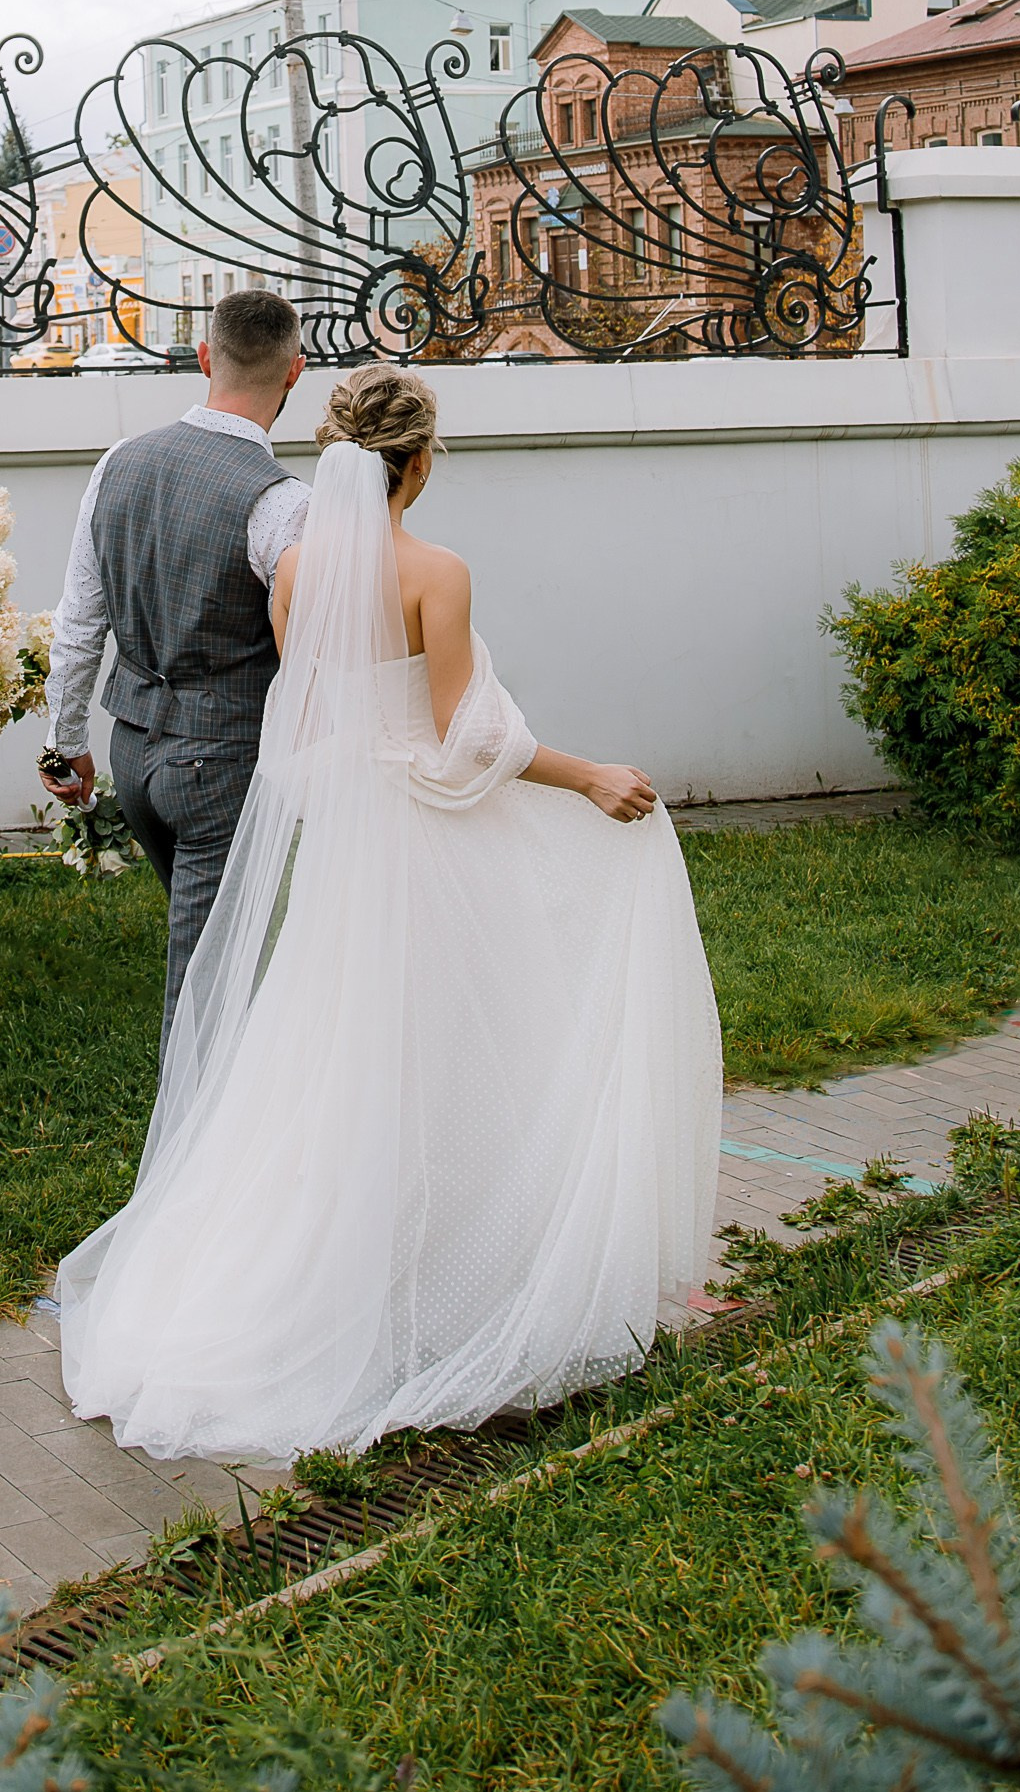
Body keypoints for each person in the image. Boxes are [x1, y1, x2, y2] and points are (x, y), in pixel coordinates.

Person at [55, 362, 722, 1463]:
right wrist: (590, 776)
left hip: (345, 843)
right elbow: (467, 738)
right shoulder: (438, 573)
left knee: (341, 1054)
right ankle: (439, 1286)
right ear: (419, 463)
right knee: (450, 1055)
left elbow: (313, 714)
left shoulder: (296, 572)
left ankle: (358, 1270)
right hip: (424, 842)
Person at [40, 287, 310, 1048]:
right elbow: (310, 656)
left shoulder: (118, 463)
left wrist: (64, 745)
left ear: (204, 358)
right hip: (220, 769)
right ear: (295, 371)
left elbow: (78, 624)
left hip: (132, 756)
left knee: (225, 962)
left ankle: (245, 1095)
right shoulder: (285, 503)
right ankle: (194, 1124)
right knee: (210, 986)